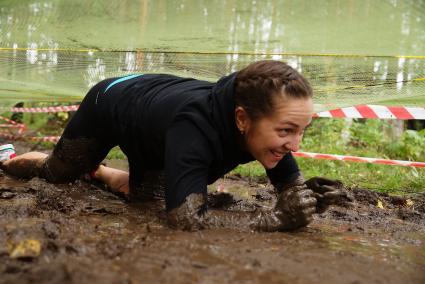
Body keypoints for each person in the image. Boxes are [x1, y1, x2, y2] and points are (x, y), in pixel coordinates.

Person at [0, 60, 348, 231]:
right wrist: (273, 217)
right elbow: (185, 218)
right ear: (242, 120)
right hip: (112, 100)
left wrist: (305, 197)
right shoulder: (194, 128)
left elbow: (291, 189)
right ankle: (7, 155)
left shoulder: (265, 130)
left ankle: (107, 175)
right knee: (58, 173)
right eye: (287, 130)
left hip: (154, 122)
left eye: (303, 131)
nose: (296, 145)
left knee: (146, 200)